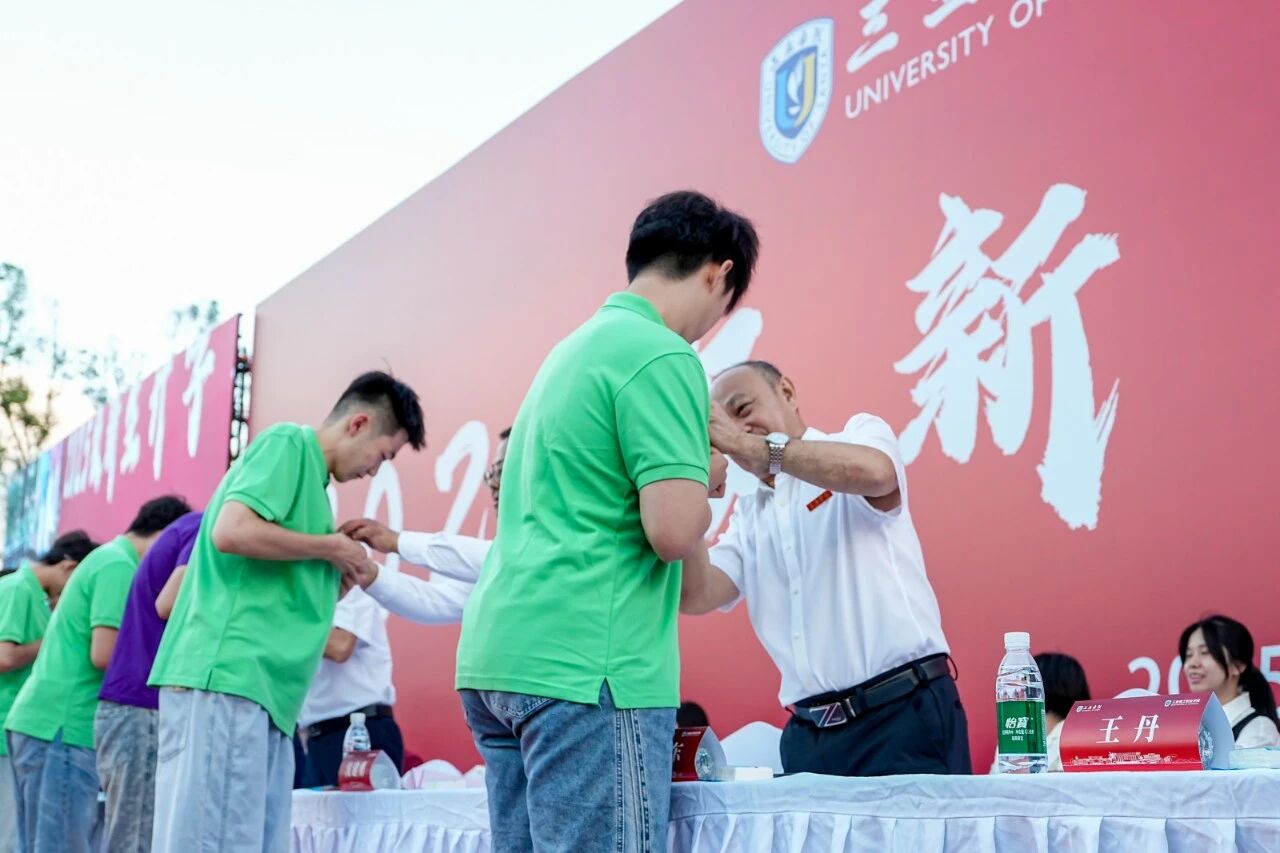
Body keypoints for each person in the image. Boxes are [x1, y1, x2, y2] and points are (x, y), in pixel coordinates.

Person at [454, 189, 752, 852]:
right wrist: (702, 479)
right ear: (719, 273)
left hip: (500, 659)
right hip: (588, 667)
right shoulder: (663, 353)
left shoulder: (572, 351)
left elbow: (689, 584)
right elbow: (672, 532)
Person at [146, 370, 424, 853]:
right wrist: (328, 548)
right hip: (231, 677)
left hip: (269, 697)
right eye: (382, 456)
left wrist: (337, 578)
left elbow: (282, 598)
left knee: (249, 840)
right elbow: (231, 531)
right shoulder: (289, 445)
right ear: (358, 423)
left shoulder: (316, 493)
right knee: (217, 841)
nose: (373, 471)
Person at [680, 360, 969, 777]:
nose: (733, 432)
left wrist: (754, 448)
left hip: (902, 716)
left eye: (742, 410)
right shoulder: (749, 514)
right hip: (810, 736)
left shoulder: (858, 436)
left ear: (787, 392)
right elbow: (697, 593)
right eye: (718, 429)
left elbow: (876, 474)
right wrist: (691, 488)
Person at [303, 425, 510, 784]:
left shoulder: (552, 540)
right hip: (507, 725)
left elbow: (500, 559)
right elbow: (436, 600)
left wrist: (398, 542)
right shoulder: (500, 560)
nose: (493, 484)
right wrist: (369, 573)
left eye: (503, 472)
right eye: (491, 473)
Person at [6, 496, 192, 853]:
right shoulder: (118, 566)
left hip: (47, 723)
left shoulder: (108, 559)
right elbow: (105, 654)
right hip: (62, 725)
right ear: (166, 536)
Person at [94, 510, 202, 852]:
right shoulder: (204, 527)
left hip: (133, 708)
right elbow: (169, 602)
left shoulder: (187, 528)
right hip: (141, 708)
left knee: (134, 835)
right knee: (137, 838)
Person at [0, 532, 98, 853]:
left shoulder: (35, 596)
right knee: (10, 837)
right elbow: (5, 656)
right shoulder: (18, 588)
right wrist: (60, 637)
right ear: (69, 568)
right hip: (11, 721)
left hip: (21, 724)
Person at [1181, 615, 1280, 748]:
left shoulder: (1259, 729)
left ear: (1238, 666)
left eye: (1205, 652)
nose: (1192, 663)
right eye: (1188, 655)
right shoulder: (1186, 727)